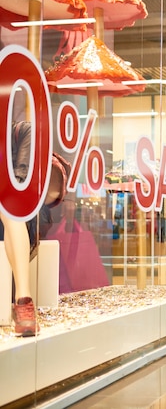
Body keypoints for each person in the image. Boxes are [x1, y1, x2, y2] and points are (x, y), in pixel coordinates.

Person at [1, 121, 71, 337]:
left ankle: (24, 300)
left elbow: (18, 186)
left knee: (9, 208)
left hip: (18, 216)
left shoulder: (22, 131)